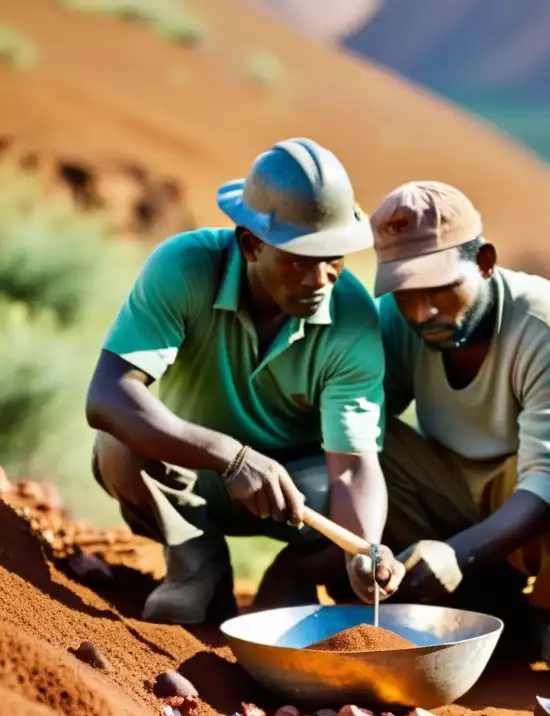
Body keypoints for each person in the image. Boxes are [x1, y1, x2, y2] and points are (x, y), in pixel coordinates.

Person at [85, 138, 405, 625]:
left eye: (334, 256)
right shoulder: (185, 268)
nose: (322, 277)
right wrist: (230, 457)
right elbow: (107, 396)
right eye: (302, 257)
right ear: (251, 244)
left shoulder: (353, 317)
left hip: (295, 496)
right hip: (189, 471)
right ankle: (197, 564)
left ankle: (292, 576)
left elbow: (351, 468)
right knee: (117, 444)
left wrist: (363, 549)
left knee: (363, 493)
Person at [368, 180, 550, 671]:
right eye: (404, 292)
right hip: (466, 487)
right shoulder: (399, 320)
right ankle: (491, 598)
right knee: (364, 443)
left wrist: (457, 553)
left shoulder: (544, 318)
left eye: (439, 288)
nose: (421, 312)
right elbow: (359, 434)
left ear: (485, 261)